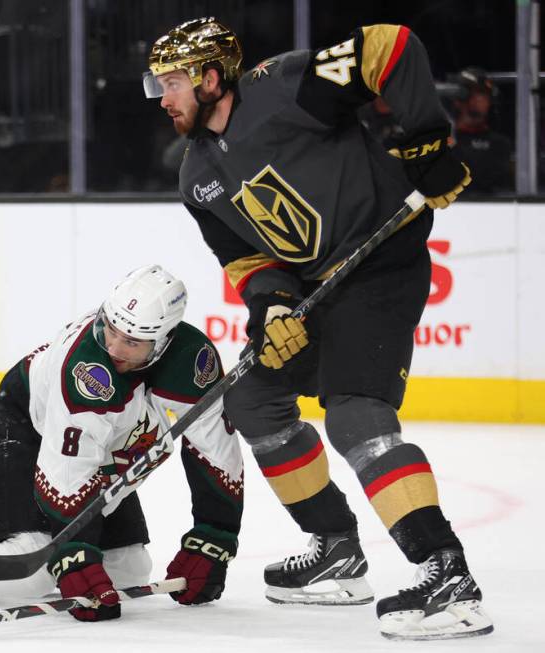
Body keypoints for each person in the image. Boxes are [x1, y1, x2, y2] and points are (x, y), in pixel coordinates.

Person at [144, 18, 490, 640]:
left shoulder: (283, 88)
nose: (161, 98)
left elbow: (391, 45)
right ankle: (337, 547)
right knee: (253, 397)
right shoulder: (195, 174)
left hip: (380, 266)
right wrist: (273, 307)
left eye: (171, 83)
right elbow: (247, 259)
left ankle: (448, 576)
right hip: (311, 292)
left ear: (212, 78)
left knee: (356, 415)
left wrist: (427, 142)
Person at [0, 265, 244, 622]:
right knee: (34, 569)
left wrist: (215, 534)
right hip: (24, 429)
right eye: (110, 329)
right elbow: (68, 468)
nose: (114, 347)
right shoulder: (88, 370)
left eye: (132, 342)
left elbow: (215, 449)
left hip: (105, 449)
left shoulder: (193, 362)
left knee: (128, 569)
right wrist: (75, 553)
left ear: (164, 340)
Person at [448, 67, 513, 194]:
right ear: (460, 97)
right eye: (478, 93)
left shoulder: (499, 144)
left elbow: (483, 181)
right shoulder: (441, 139)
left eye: (485, 95)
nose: (483, 100)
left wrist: (454, 148)